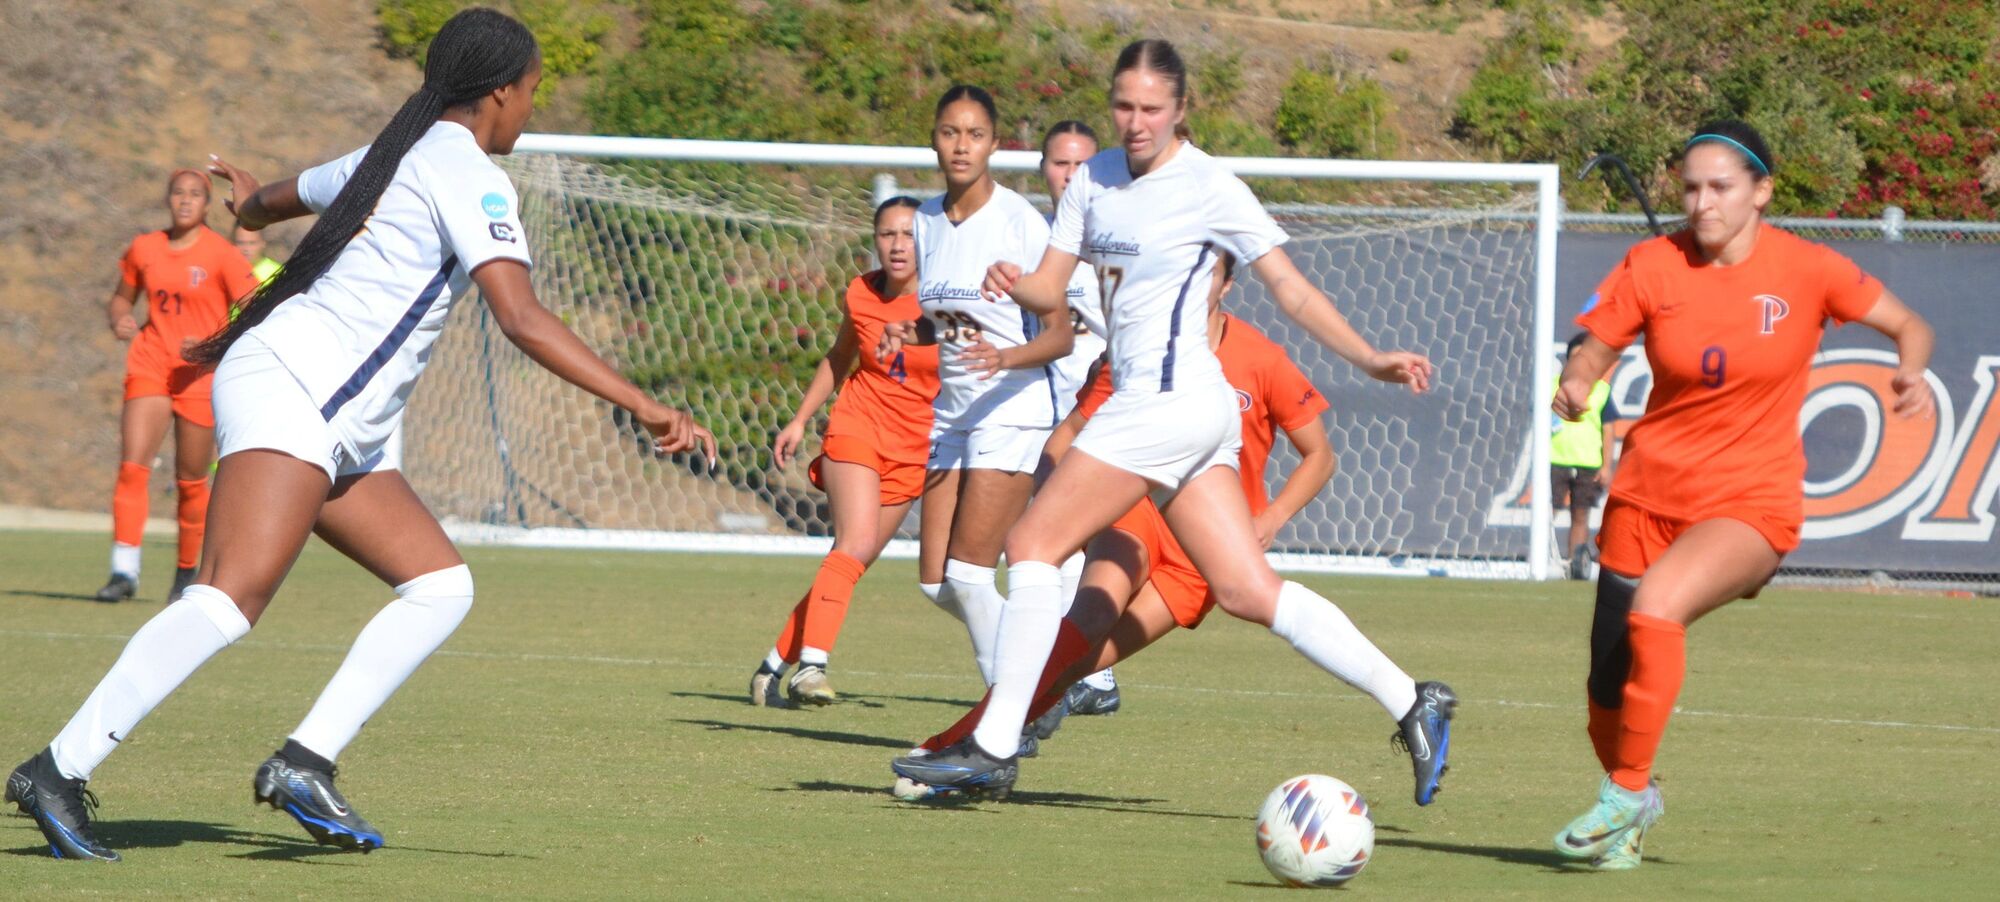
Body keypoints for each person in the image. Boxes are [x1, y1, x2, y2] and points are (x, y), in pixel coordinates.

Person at [4, 9, 713, 862]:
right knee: (231, 597)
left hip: (335, 417)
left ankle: (305, 763)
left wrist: (252, 205)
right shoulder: (469, 175)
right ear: (499, 93)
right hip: (298, 389)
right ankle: (57, 768)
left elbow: (271, 203)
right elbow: (520, 317)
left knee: (440, 587)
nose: (531, 106)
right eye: (531, 90)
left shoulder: (389, 154)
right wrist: (645, 404)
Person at [886, 39, 1456, 805]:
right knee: (1249, 590)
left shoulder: (1210, 185)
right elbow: (1052, 287)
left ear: (1182, 109)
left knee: (1029, 544)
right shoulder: (1092, 179)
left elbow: (1289, 288)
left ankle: (992, 745)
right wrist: (1013, 283)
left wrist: (1369, 359)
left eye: (1152, 108)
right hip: (1185, 409)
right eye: (1124, 106)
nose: (1136, 121)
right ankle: (1412, 700)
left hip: (1164, 401)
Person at [1550, 120, 1934, 870]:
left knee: (1659, 606)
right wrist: (1575, 386)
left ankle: (1625, 793)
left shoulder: (1809, 268)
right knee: (1605, 689)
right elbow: (1593, 354)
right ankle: (1632, 803)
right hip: (1645, 496)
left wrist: (1911, 369)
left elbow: (1908, 324)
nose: (1702, 203)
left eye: (1720, 187)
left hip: (1749, 503)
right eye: (1690, 188)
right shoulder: (1651, 265)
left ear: (1761, 192)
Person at [894, 248, 1341, 793]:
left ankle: (987, 752)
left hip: (1202, 555)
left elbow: (1319, 454)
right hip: (1140, 515)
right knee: (1071, 637)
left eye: (1207, 275)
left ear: (1226, 286)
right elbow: (1064, 438)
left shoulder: (1262, 359)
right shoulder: (1136, 349)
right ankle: (954, 749)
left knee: (1073, 664)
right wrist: (1072, 510)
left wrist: (1271, 518)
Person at [896, 85, 1074, 687]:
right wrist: (907, 333)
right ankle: (1043, 675)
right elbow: (942, 315)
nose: (961, 145)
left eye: (974, 134)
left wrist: (1007, 357)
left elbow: (1060, 336)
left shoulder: (1020, 222)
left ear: (995, 144)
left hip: (1013, 407)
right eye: (950, 132)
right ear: (934, 140)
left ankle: (1012, 706)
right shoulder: (924, 220)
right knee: (936, 583)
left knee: (971, 577)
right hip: (952, 413)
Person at [750, 196, 934, 706]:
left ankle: (771, 668)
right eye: (887, 234)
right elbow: (839, 356)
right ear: (874, 240)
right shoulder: (862, 292)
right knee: (851, 545)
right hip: (857, 430)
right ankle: (812, 667)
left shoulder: (949, 303)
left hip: (914, 450)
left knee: (848, 564)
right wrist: (800, 418)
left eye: (909, 235)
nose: (897, 245)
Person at [94, 169, 259, 604]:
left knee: (190, 480)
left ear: (206, 205)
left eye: (195, 195)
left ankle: (186, 573)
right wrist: (118, 319)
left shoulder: (221, 254)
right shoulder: (144, 248)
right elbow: (120, 297)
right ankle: (123, 571)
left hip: (198, 376)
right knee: (133, 467)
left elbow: (257, 307)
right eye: (178, 193)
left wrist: (211, 343)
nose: (185, 201)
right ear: (168, 199)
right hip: (150, 364)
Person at [1035, 118, 1121, 714]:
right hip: (1046, 411)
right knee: (1053, 542)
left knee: (1076, 539)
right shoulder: (1040, 242)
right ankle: (1084, 674)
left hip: (1107, 410)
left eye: (1080, 165)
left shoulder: (1117, 242)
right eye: (1059, 164)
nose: (1069, 175)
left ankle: (1089, 672)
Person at [1551, 331, 1619, 578]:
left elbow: (1608, 430)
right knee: (1549, 509)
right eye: (1575, 358)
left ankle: (1575, 565)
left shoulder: (1601, 391)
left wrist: (1605, 466)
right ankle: (1543, 556)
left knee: (1580, 515)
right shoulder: (1552, 385)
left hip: (1588, 462)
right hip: (1555, 458)